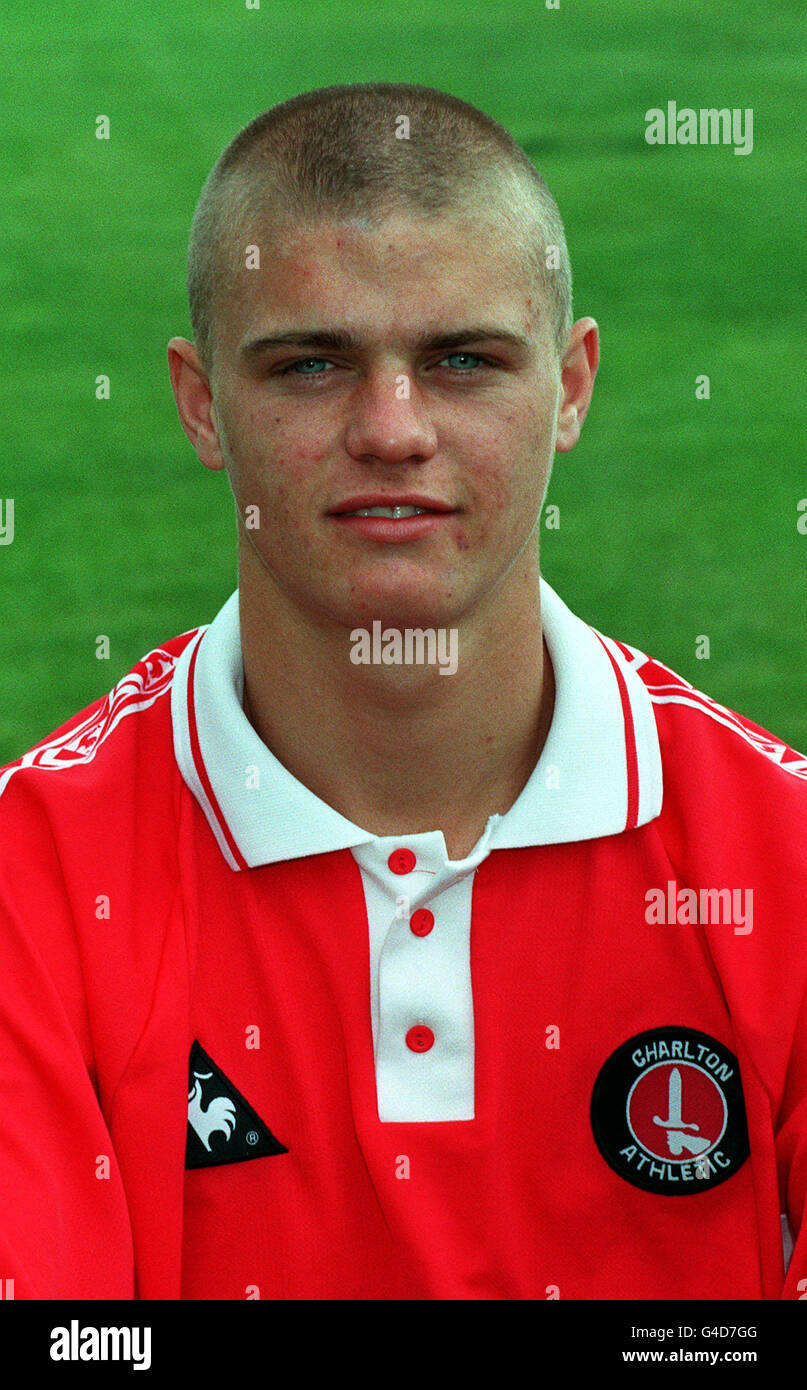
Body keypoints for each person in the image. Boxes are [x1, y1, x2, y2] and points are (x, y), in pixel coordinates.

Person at [1, 82, 805, 1301]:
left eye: (463, 360)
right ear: (202, 401)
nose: (392, 428)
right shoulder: (34, 881)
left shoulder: (781, 860)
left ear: (573, 387)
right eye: (312, 362)